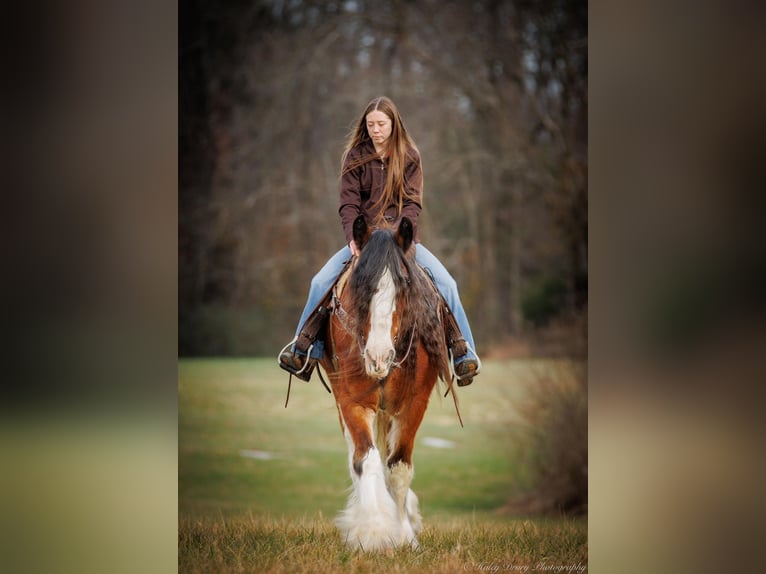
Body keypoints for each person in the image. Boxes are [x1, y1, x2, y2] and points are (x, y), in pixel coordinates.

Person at [278, 96, 480, 385]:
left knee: (448, 285)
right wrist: (354, 239)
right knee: (319, 283)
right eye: (371, 124)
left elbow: (412, 204)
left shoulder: (410, 156)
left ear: (393, 124)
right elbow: (348, 204)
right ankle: (304, 350)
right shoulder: (354, 157)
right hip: (364, 241)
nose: (376, 130)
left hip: (402, 243)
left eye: (381, 124)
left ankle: (463, 354)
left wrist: (400, 239)